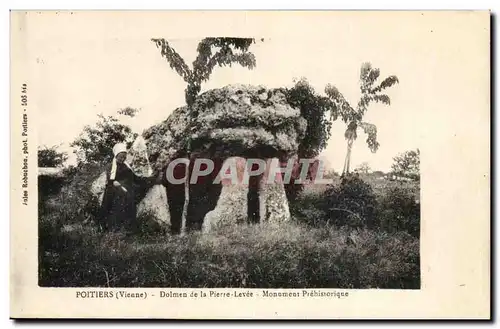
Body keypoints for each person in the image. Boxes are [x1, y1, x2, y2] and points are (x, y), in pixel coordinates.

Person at [98, 142, 161, 234]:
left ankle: (128, 231)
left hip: (128, 192)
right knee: (116, 212)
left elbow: (135, 178)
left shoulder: (126, 167)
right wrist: (117, 184)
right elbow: (111, 180)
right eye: (121, 157)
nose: (123, 159)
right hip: (116, 193)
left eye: (124, 157)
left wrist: (151, 178)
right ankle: (114, 231)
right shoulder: (111, 166)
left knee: (129, 208)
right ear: (116, 156)